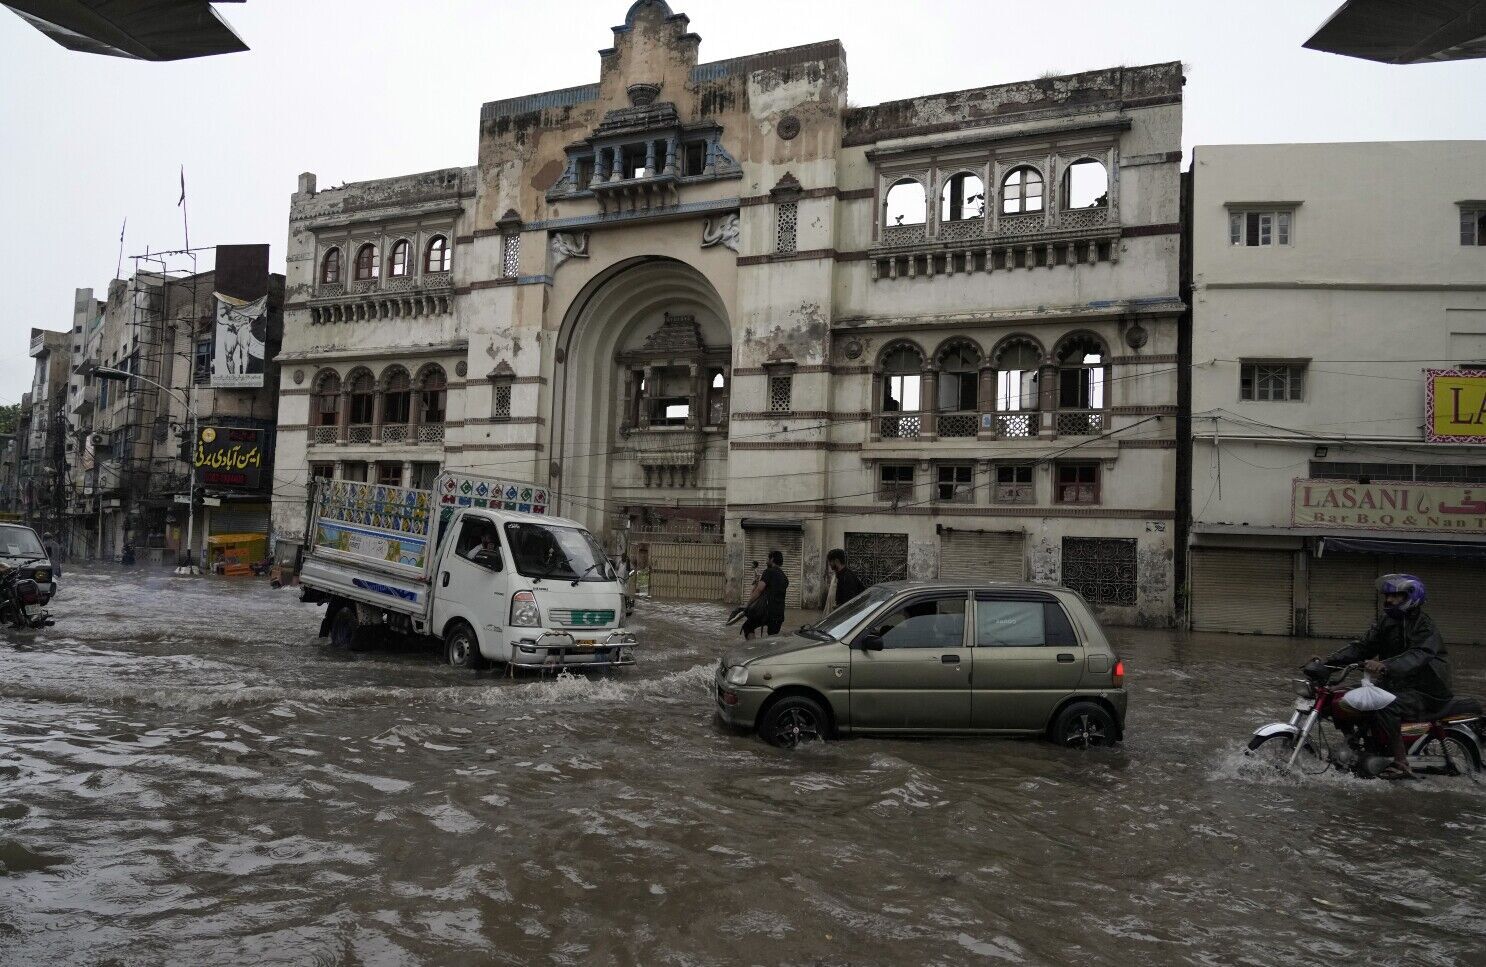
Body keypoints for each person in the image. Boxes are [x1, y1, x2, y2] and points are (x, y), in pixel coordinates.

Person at [1317, 573, 1452, 781]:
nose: (1389, 600)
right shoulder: (1387, 622)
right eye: (1388, 596)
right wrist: (1327, 663)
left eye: (1396, 596)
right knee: (1338, 696)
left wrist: (1385, 665)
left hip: (1427, 690)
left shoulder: (1424, 626)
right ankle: (1356, 745)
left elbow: (1419, 655)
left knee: (1385, 705)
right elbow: (1363, 647)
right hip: (1396, 684)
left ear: (1411, 597)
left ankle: (1401, 764)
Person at [742, 550, 789, 639]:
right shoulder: (784, 577)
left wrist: (747, 605)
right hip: (779, 614)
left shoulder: (769, 572)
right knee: (772, 638)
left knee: (747, 626)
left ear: (772, 559)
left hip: (766, 612)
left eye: (767, 558)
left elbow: (759, 590)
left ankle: (753, 650)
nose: (766, 561)